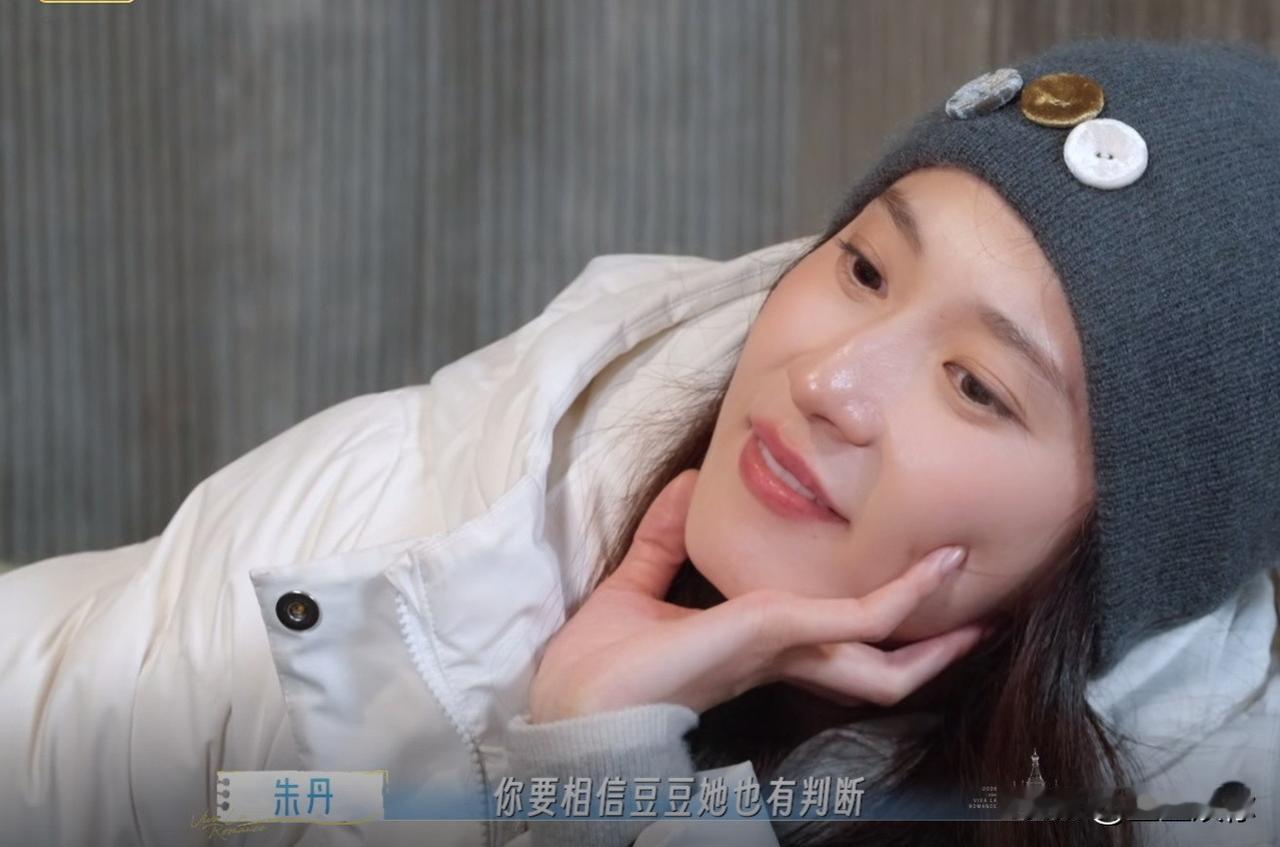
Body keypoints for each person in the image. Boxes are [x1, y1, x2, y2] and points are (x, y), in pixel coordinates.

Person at [1, 35, 1276, 847]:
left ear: (1135, 545)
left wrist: (596, 754)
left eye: (975, 385)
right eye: (863, 268)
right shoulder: (412, 520)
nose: (827, 381)